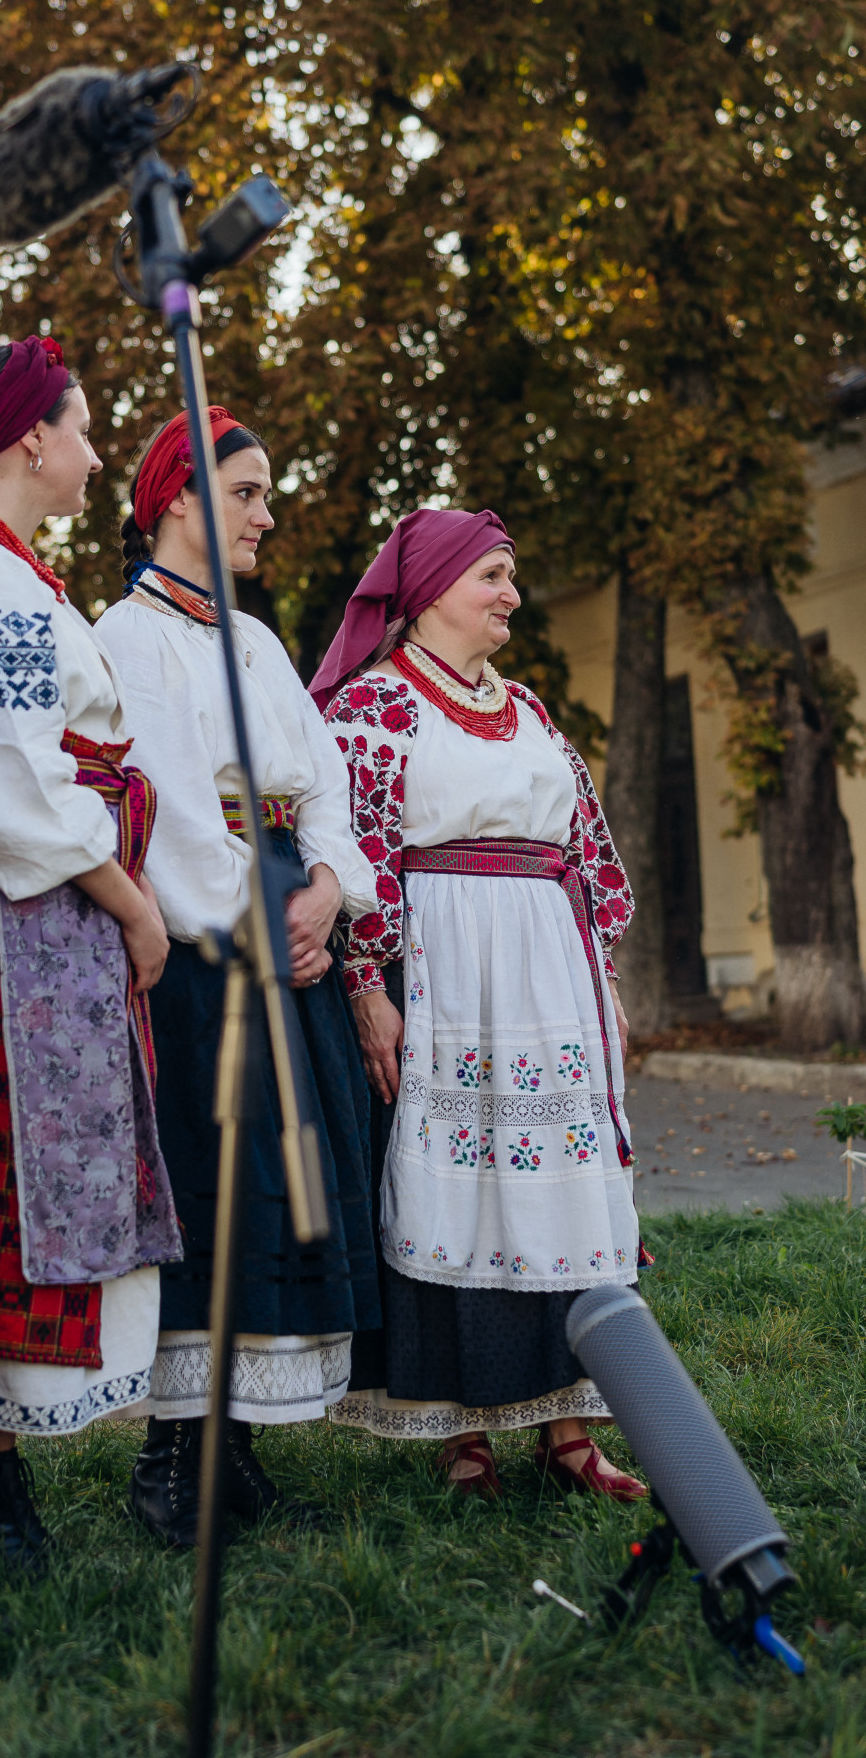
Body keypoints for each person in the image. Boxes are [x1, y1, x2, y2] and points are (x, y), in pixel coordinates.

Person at [0, 336, 182, 1571]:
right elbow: (13, 788)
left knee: (37, 1171)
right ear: (28, 440)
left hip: (48, 911)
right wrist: (132, 905)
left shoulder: (18, 574)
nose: (95, 452)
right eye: (81, 427)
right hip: (12, 917)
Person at [312, 507, 646, 1500]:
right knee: (461, 1191)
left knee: (568, 1188)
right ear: (430, 591)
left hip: (550, 969)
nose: (510, 593)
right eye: (492, 576)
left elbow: (585, 847)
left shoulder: (531, 709)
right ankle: (465, 1434)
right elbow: (353, 854)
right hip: (445, 969)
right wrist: (367, 982)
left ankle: (574, 1429)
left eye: (510, 576)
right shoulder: (371, 710)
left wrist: (607, 985)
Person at [97, 408, 381, 1546]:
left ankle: (237, 1453)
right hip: (206, 938)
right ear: (179, 499)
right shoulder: (128, 633)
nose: (267, 514)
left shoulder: (258, 643)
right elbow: (159, 797)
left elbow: (324, 785)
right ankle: (170, 1464)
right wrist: (259, 916)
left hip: (281, 910)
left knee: (283, 1177)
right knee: (217, 1180)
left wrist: (324, 886)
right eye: (249, 492)